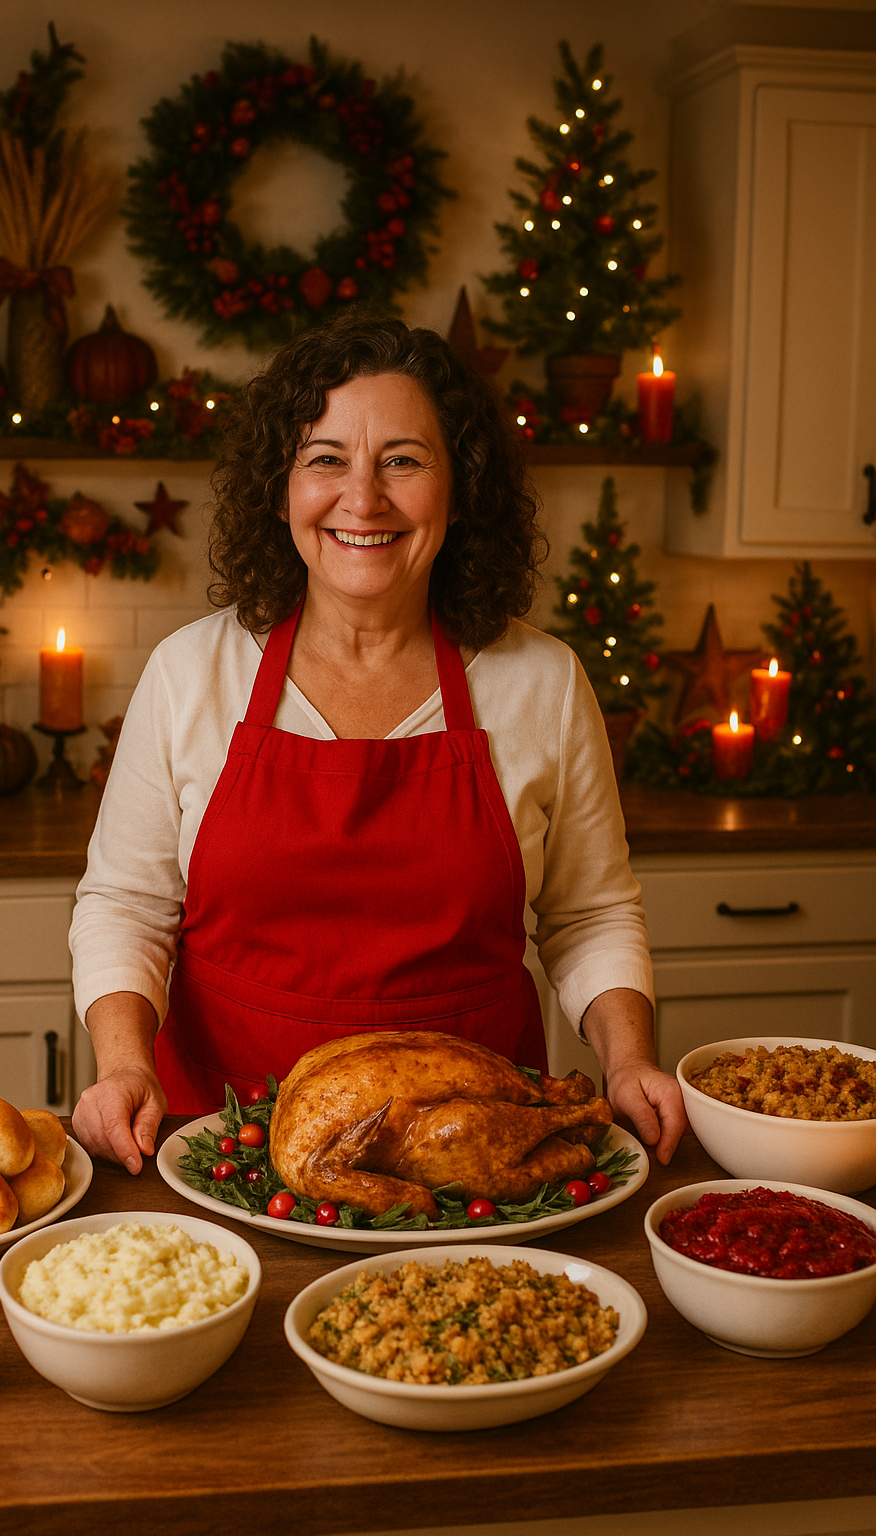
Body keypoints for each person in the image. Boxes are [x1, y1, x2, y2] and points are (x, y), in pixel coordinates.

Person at [69, 311, 686, 1175]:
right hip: (224, 1145)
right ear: (279, 490)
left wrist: (627, 1061)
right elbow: (126, 905)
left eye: (403, 460)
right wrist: (124, 1066)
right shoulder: (190, 673)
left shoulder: (541, 683)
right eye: (326, 460)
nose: (363, 499)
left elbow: (590, 913)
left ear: (460, 489)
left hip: (477, 1155)